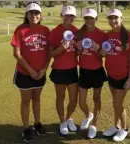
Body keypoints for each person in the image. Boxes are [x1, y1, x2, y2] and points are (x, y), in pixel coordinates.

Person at [11, 2, 50, 143]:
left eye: (36, 13)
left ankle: (37, 123)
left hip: (40, 73)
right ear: (27, 15)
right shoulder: (20, 30)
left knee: (37, 99)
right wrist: (30, 70)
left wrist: (45, 68)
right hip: (24, 73)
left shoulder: (46, 30)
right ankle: (26, 128)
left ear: (40, 15)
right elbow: (17, 54)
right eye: (31, 13)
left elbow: (48, 53)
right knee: (26, 101)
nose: (34, 15)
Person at [101, 9, 130, 142]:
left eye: (115, 18)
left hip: (124, 76)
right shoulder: (107, 35)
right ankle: (116, 126)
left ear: (121, 18)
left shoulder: (129, 36)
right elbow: (102, 53)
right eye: (110, 18)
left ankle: (125, 128)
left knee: (118, 103)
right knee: (115, 103)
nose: (113, 21)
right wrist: (102, 51)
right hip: (111, 74)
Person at [75, 8, 107, 139]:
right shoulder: (79, 33)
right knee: (81, 101)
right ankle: (89, 115)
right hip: (84, 70)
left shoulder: (101, 35)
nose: (89, 20)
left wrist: (98, 49)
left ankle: (94, 125)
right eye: (86, 18)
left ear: (96, 19)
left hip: (97, 70)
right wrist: (79, 49)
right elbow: (76, 53)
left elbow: (104, 54)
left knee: (96, 99)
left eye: (91, 18)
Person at [48, 5, 78, 136]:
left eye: (71, 15)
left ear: (74, 17)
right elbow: (50, 54)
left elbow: (78, 51)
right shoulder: (55, 32)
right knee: (60, 97)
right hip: (59, 70)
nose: (69, 18)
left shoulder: (77, 31)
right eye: (66, 15)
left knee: (73, 98)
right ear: (62, 16)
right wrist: (61, 48)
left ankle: (68, 118)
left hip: (72, 69)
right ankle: (62, 122)